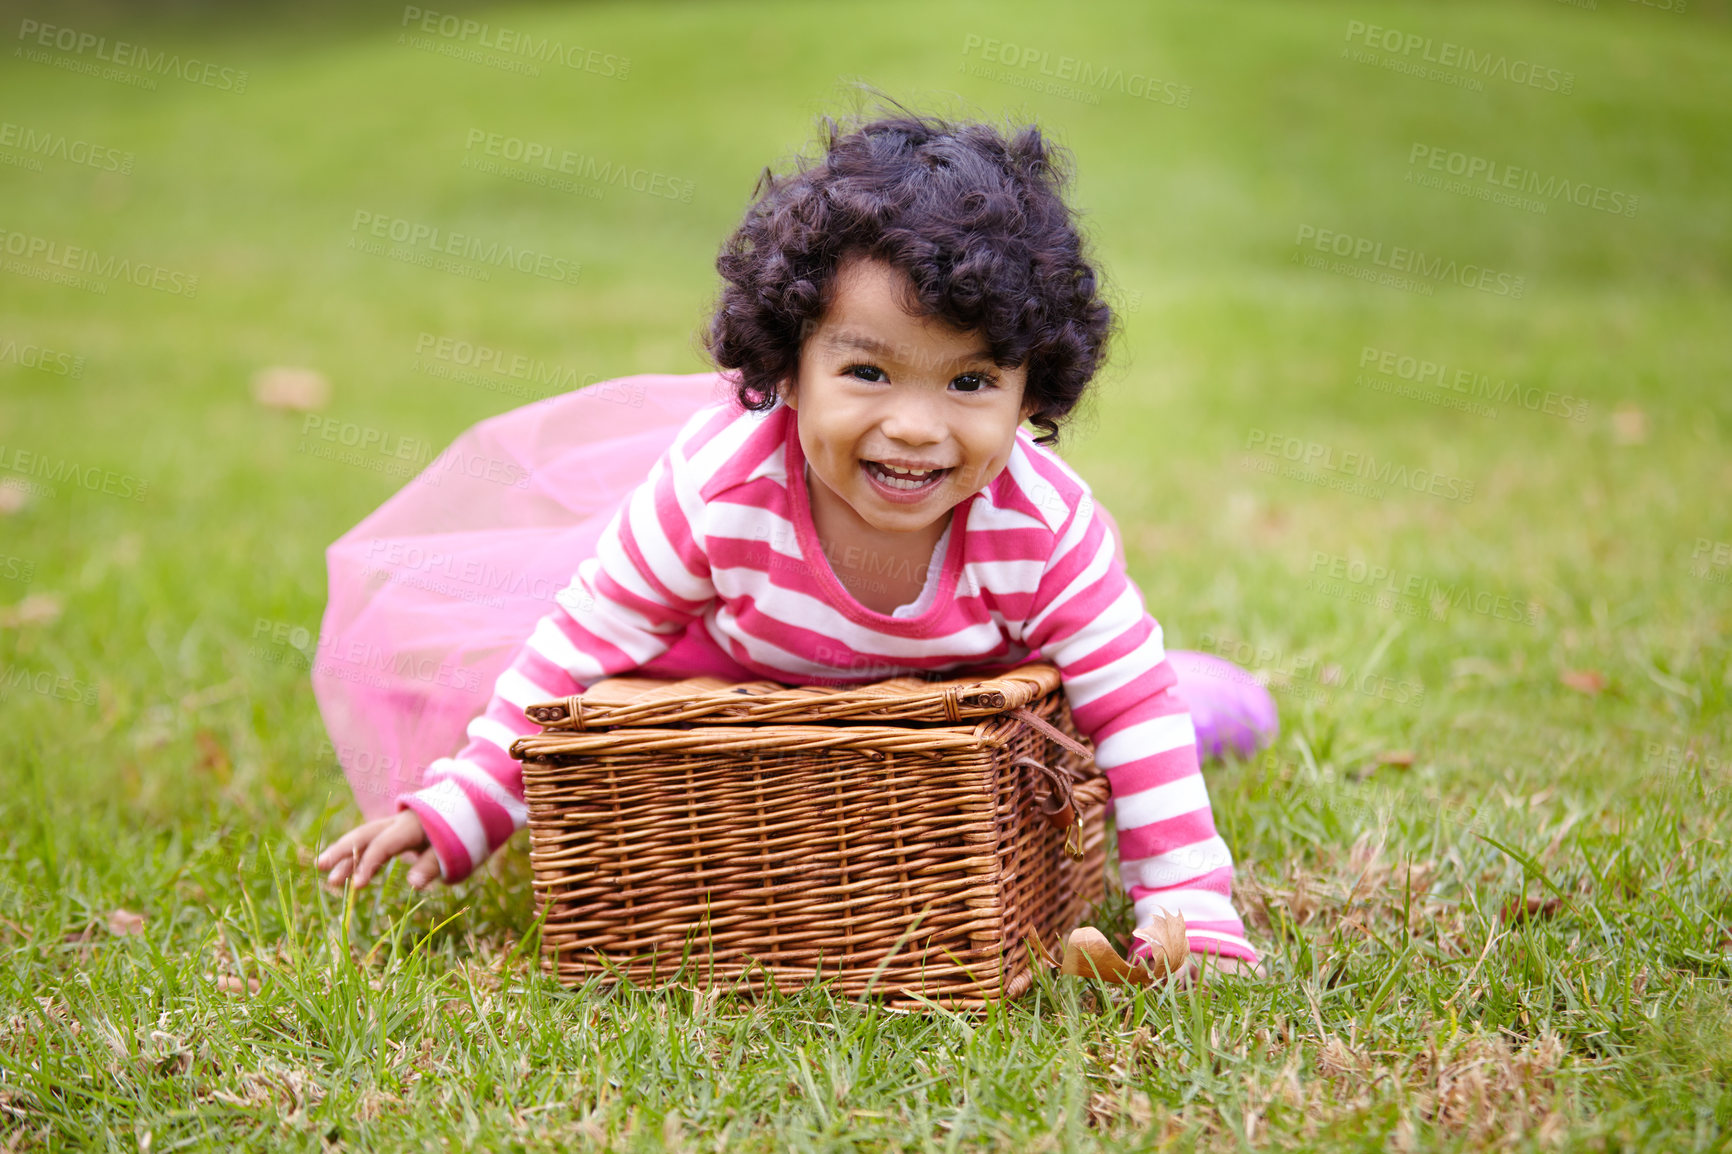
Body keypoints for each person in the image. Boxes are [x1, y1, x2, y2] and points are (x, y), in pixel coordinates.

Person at [312, 108, 1278, 982]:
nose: (914, 427)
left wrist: (1188, 911)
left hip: (970, 688)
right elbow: (572, 655)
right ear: (788, 364)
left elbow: (1128, 706)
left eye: (971, 383)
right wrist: (465, 806)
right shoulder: (721, 493)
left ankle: (1204, 695)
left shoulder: (1045, 527)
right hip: (759, 673)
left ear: (1034, 390)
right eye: (867, 370)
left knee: (1114, 718)